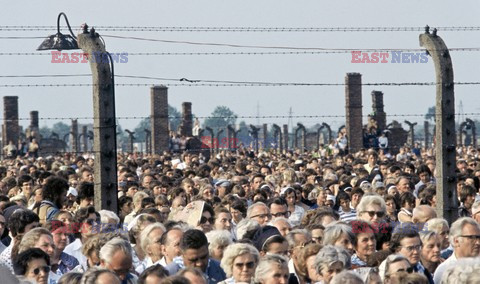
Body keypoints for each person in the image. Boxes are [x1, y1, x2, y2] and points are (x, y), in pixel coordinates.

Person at [433, 217, 480, 283]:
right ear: (456, 241)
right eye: (471, 237)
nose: (478, 242)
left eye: (479, 237)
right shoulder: (444, 270)